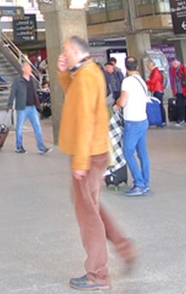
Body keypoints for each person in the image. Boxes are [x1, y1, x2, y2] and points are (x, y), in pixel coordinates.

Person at [57, 35, 136, 290]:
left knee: (87, 214)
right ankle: (124, 248)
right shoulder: (84, 73)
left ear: (78, 52)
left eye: (67, 51)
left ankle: (98, 274)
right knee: (91, 207)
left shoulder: (89, 76)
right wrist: (63, 73)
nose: (65, 54)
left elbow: (85, 121)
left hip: (89, 155)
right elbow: (74, 95)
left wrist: (80, 161)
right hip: (90, 153)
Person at [115, 57, 150, 196]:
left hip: (133, 122)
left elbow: (123, 102)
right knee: (142, 154)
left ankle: (139, 184)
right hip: (143, 120)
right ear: (137, 67)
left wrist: (117, 102)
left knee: (128, 152)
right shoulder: (141, 81)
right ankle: (146, 182)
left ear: (126, 67)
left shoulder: (127, 81)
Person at [6, 62, 50, 155]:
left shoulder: (32, 80)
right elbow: (12, 93)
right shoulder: (17, 81)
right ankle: (19, 147)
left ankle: (41, 147)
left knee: (37, 126)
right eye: (29, 68)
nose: (30, 70)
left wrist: (38, 104)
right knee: (19, 127)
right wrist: (9, 105)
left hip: (32, 107)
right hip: (22, 108)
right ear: (24, 69)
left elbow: (35, 94)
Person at [170, 58, 186, 127]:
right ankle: (181, 119)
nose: (174, 64)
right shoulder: (173, 70)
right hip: (179, 92)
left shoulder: (185, 69)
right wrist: (174, 90)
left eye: (175, 63)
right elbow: (174, 82)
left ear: (179, 62)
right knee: (179, 106)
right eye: (173, 63)